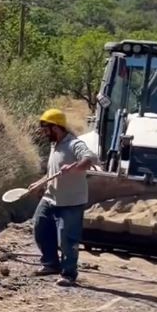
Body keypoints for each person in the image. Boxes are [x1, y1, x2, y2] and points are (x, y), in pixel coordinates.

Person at [30, 108, 96, 285]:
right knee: (40, 227)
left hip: (71, 201)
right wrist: (40, 183)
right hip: (50, 197)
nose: (44, 134)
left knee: (67, 239)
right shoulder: (55, 145)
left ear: (56, 128)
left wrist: (74, 167)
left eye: (46, 130)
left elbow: (89, 158)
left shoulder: (74, 144)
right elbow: (54, 172)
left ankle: (68, 274)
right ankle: (50, 263)